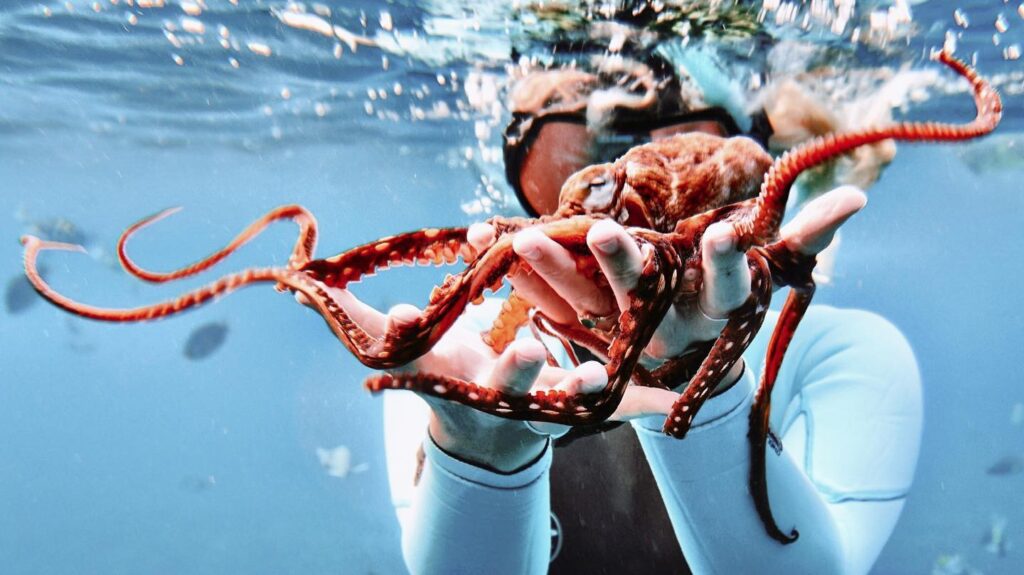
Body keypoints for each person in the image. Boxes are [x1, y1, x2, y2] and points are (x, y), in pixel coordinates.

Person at [320, 29, 922, 575]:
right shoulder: (461, 351)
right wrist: (477, 452)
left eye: (683, 150)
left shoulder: (839, 352)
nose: (632, 217)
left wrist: (697, 381)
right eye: (577, 160)